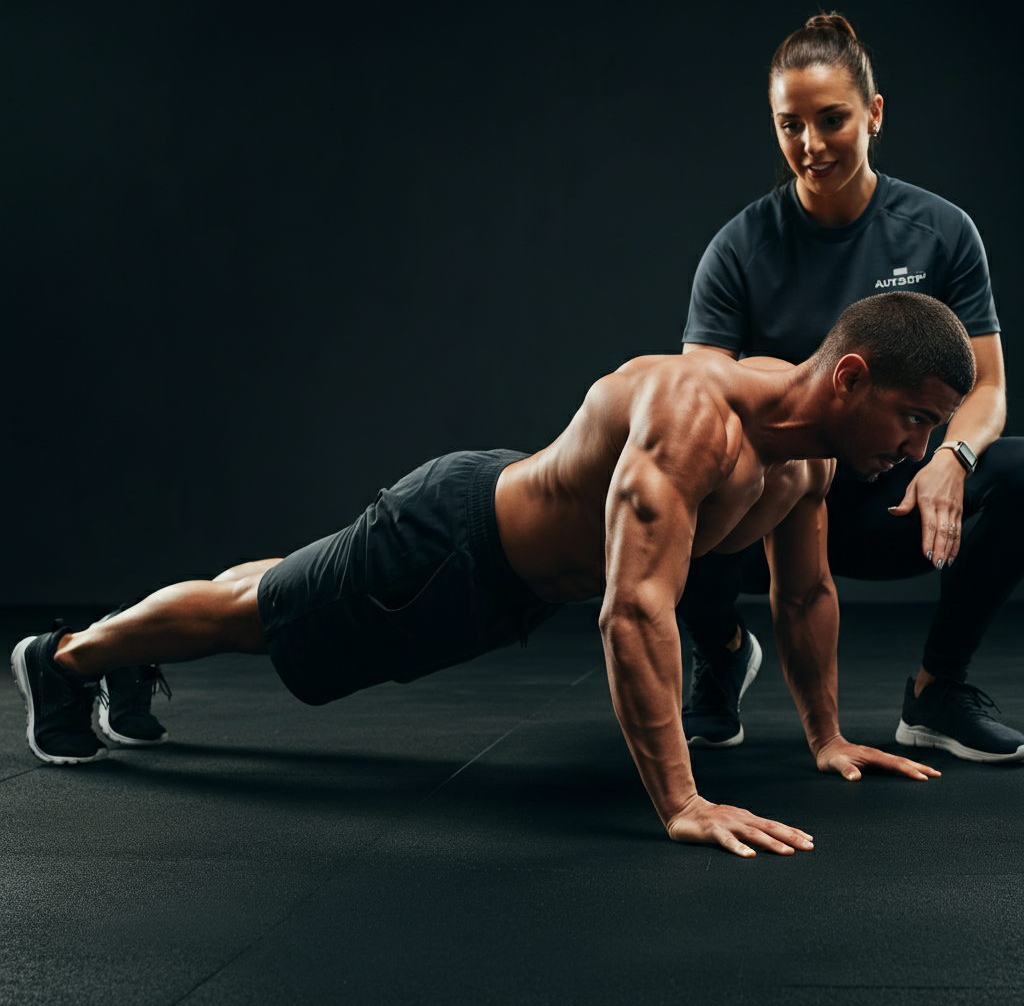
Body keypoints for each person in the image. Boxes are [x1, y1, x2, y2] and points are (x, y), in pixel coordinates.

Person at [13, 292, 968, 857]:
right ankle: (64, 659)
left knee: (265, 592)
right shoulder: (695, 418)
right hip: (447, 547)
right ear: (847, 377)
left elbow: (803, 594)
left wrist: (828, 736)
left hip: (503, 578)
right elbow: (632, 609)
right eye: (915, 419)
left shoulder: (809, 461)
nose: (919, 445)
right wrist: (680, 802)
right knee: (254, 613)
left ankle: (116, 652)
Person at [678, 13, 1024, 764]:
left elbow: (990, 386)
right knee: (673, 482)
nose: (810, 145)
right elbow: (697, 398)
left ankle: (937, 693)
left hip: (890, 499)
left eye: (831, 120)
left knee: (1021, 471)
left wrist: (951, 458)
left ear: (873, 113)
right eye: (789, 125)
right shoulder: (740, 248)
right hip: (770, 504)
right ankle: (722, 649)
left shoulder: (941, 231)